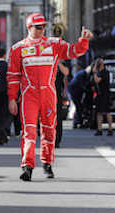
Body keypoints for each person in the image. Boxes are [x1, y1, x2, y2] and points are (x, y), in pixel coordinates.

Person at [7, 13, 92, 181]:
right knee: (29, 131)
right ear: (29, 27)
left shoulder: (54, 44)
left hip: (48, 94)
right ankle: (27, 167)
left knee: (48, 130)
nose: (42, 29)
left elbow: (74, 51)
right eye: (38, 27)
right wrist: (12, 98)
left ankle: (47, 163)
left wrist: (84, 40)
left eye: (43, 26)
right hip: (28, 95)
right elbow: (13, 76)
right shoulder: (18, 48)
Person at [92, 58, 113, 136]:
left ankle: (110, 129)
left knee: (107, 112)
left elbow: (97, 80)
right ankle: (99, 129)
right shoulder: (99, 72)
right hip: (99, 95)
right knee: (99, 112)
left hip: (105, 94)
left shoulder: (105, 72)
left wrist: (94, 72)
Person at [68, 61, 89, 128]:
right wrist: (86, 89)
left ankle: (77, 121)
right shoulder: (83, 74)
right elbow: (82, 85)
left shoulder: (81, 73)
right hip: (74, 92)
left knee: (78, 107)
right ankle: (77, 122)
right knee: (79, 107)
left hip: (74, 91)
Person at [55, 60, 71, 147]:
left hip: (57, 95)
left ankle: (57, 140)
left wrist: (57, 62)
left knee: (57, 118)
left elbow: (66, 73)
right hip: (45, 93)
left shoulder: (61, 62)